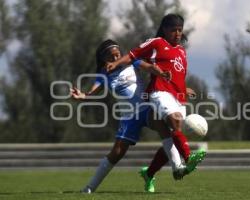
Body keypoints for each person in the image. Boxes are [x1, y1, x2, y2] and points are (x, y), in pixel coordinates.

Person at [105, 14, 206, 193]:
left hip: (177, 95)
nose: (177, 33)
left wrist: (185, 87)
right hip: (159, 92)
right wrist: (116, 64)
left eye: (179, 30)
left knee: (172, 136)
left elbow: (178, 75)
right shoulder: (157, 42)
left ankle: (149, 173)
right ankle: (188, 158)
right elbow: (132, 55)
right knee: (175, 121)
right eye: (173, 29)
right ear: (165, 29)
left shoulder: (182, 51)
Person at [70, 39, 186, 194]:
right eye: (112, 56)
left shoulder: (132, 63)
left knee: (162, 124)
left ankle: (177, 166)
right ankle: (89, 188)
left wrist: (159, 72)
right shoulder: (103, 74)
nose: (116, 57)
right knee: (116, 153)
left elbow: (148, 66)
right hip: (129, 116)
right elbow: (92, 92)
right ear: (104, 59)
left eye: (118, 54)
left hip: (146, 108)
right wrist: (83, 96)